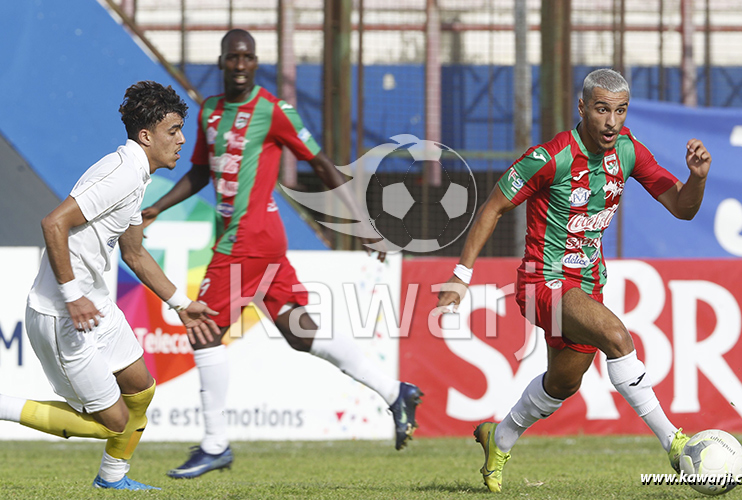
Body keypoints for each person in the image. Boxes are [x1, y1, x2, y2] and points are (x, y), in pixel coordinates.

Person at [141, 29, 423, 479]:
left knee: (203, 329)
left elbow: (321, 163)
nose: (239, 64)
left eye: (247, 57)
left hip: (247, 241)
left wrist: (363, 224)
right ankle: (394, 392)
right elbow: (199, 172)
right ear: (221, 61)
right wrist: (156, 206)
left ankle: (215, 444)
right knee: (298, 332)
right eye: (232, 57)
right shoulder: (210, 112)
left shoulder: (273, 111)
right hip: (255, 240)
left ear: (256, 63)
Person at [436, 68, 711, 493]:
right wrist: (460, 275)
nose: (611, 122)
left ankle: (499, 438)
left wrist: (697, 179)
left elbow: (682, 208)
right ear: (581, 107)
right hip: (541, 282)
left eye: (620, 111)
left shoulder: (629, 151)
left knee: (563, 383)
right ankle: (676, 444)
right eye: (602, 110)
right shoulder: (549, 157)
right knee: (617, 337)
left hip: (587, 284)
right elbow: (492, 207)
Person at [0, 81, 220, 490]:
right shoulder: (121, 173)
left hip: (96, 308)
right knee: (113, 424)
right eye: (173, 130)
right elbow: (53, 223)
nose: (182, 139)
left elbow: (134, 254)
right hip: (63, 316)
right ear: (146, 136)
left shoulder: (137, 175)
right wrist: (72, 296)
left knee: (141, 390)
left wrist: (180, 303)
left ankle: (112, 478)